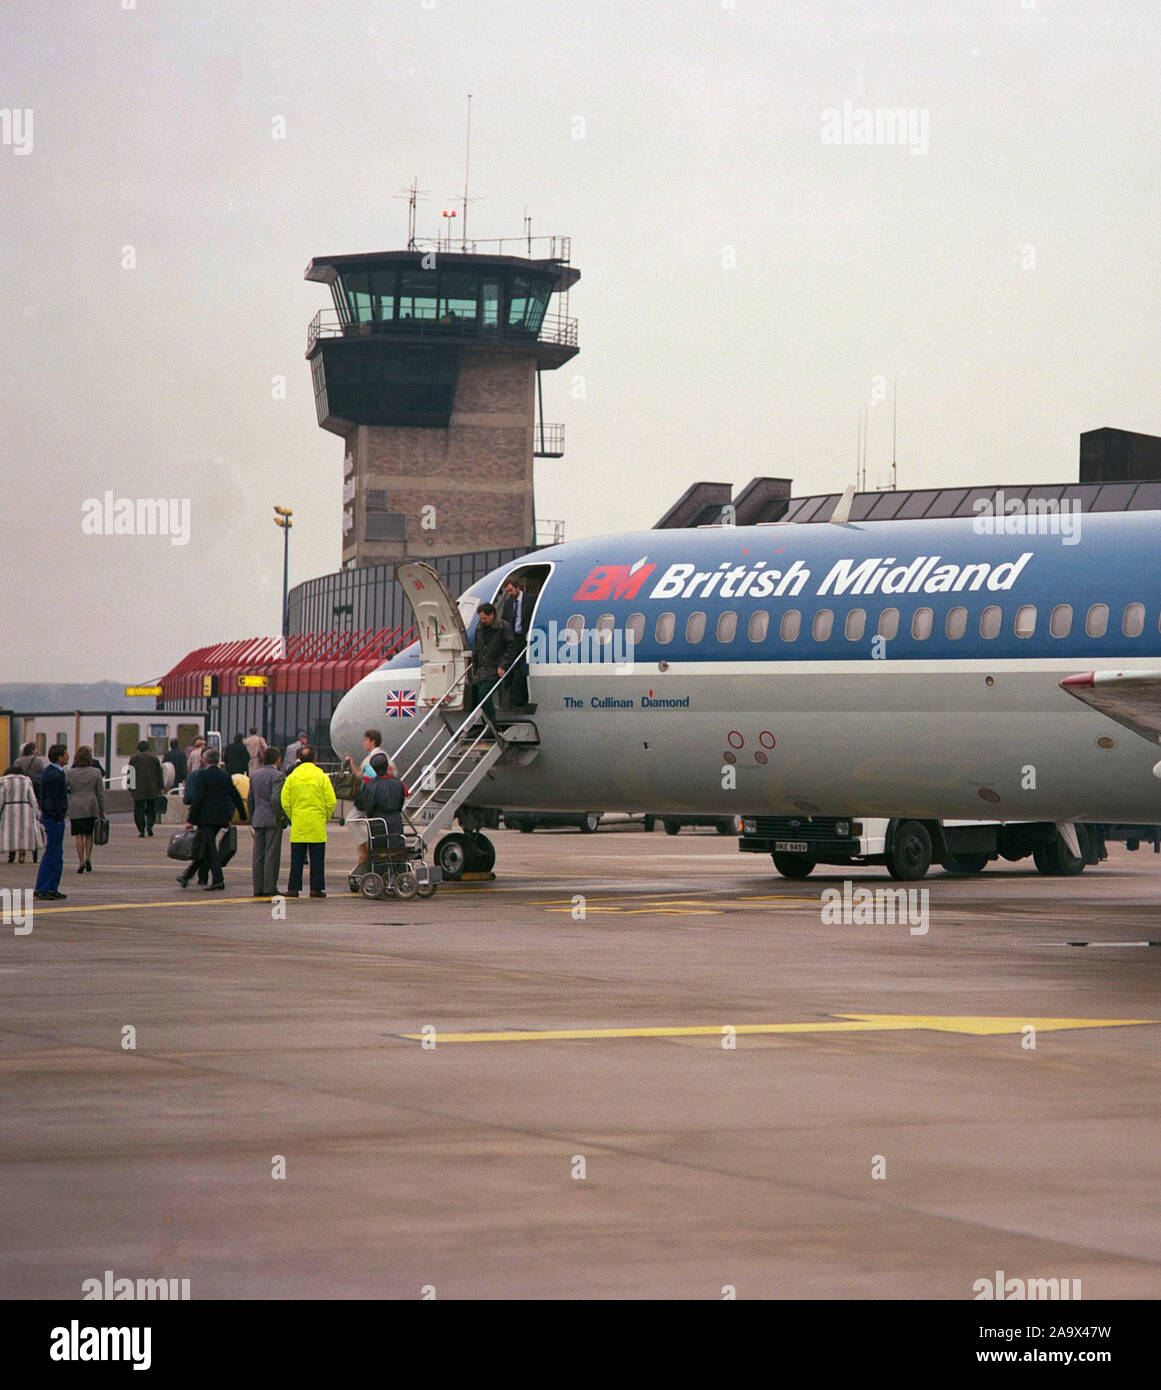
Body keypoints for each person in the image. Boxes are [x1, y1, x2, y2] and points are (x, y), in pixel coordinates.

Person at [178, 749, 247, 892]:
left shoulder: (202, 775)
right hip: (220, 818)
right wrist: (242, 814)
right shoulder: (225, 776)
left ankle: (218, 880)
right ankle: (187, 875)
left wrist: (190, 820)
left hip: (205, 818)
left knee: (209, 848)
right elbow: (235, 795)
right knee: (205, 847)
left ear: (206, 760)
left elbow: (198, 799)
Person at [280, 746, 335, 898]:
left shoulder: (292, 777)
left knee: (296, 858)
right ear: (314, 759)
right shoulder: (321, 777)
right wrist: (325, 817)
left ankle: (293, 888)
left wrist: (293, 816)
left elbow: (285, 801)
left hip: (299, 823)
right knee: (317, 859)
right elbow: (331, 801)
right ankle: (316, 889)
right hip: (316, 823)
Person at [247, 746, 286, 898]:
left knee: (258, 855)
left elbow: (250, 799)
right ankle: (269, 887)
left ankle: (258, 887)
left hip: (258, 818)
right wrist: (280, 816)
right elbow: (276, 798)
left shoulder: (255, 775)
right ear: (277, 759)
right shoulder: (278, 775)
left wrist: (253, 817)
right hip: (272, 818)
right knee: (271, 854)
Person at [33, 744, 70, 900]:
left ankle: (51, 886)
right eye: (66, 754)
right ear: (59, 757)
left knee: (56, 853)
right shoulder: (55, 775)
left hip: (52, 817)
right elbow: (51, 799)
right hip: (54, 819)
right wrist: (58, 814)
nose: (68, 756)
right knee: (53, 853)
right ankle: (44, 887)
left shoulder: (52, 772)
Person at [470, 602, 516, 722]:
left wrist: (503, 665)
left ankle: (492, 724)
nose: (483, 621)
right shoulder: (479, 628)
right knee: (480, 698)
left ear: (492, 615)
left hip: (495, 668)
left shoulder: (503, 627)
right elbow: (476, 649)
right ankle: (487, 724)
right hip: (482, 669)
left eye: (484, 618)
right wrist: (475, 669)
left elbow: (511, 647)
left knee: (484, 696)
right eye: (481, 618)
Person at [354, 751, 406, 846]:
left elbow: (368, 806)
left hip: (378, 822)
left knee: (380, 849)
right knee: (396, 847)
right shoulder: (398, 783)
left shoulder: (371, 785)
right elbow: (401, 802)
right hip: (396, 820)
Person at [67, 746, 105, 874]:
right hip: (91, 805)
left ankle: (81, 861)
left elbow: (67, 789)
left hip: (76, 806)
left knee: (79, 835)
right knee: (89, 834)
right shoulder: (96, 772)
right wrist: (102, 809)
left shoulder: (70, 773)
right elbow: (100, 792)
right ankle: (89, 858)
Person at [0, 765, 44, 865]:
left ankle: (11, 855)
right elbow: (32, 798)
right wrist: (37, 813)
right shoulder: (26, 781)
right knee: (23, 833)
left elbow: (1, 798)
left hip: (9, 809)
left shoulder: (4, 782)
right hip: (25, 808)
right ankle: (22, 855)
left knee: (10, 832)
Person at [499, 578, 530, 707]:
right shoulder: (507, 604)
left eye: (511, 590)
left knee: (522, 668)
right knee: (512, 668)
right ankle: (511, 699)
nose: (510, 593)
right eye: (507, 591)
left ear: (518, 588)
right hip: (514, 639)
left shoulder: (531, 600)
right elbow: (505, 621)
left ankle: (519, 699)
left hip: (526, 638)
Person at [128, 740, 164, 837]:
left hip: (138, 789)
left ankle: (141, 830)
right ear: (148, 748)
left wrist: (130, 787)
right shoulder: (154, 758)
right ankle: (150, 825)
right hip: (152, 788)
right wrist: (161, 786)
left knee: (138, 809)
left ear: (138, 748)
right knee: (151, 808)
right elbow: (159, 774)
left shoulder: (134, 758)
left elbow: (130, 773)